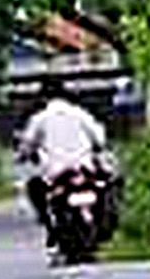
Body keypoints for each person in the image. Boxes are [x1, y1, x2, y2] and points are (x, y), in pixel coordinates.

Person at [13, 83, 113, 229]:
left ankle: (47, 221)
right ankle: (105, 220)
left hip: (55, 172)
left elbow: (27, 145)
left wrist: (23, 155)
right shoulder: (81, 114)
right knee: (108, 182)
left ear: (44, 99)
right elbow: (100, 139)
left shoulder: (40, 118)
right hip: (85, 168)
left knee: (33, 185)